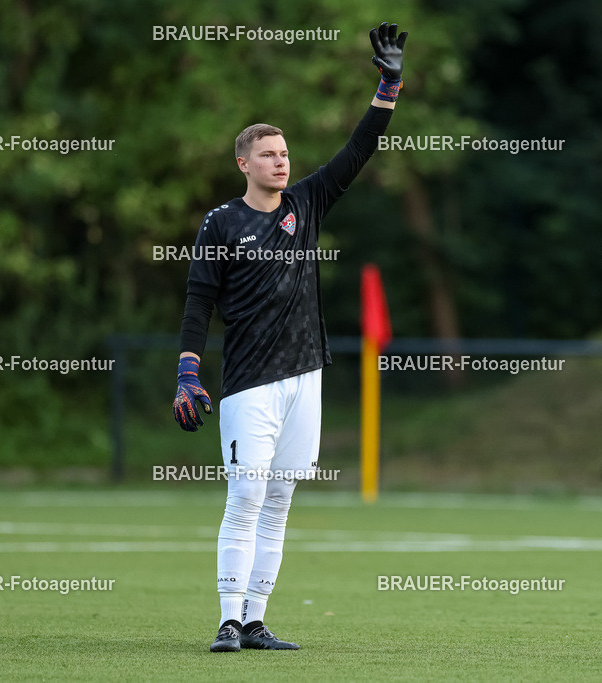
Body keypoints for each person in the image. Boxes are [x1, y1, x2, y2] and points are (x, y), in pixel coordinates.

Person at [171, 22, 408, 653]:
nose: (283, 161)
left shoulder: (307, 202)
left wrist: (388, 86)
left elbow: (357, 151)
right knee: (245, 498)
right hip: (250, 380)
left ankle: (254, 619)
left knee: (278, 503)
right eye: (271, 154)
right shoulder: (221, 222)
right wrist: (187, 372)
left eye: (286, 153)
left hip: (307, 376)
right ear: (245, 163)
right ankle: (225, 619)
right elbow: (200, 300)